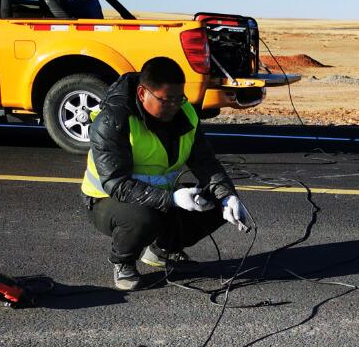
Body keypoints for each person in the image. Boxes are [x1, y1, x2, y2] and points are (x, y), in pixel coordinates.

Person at [81, 56, 250, 291]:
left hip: (159, 196)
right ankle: (123, 262)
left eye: (178, 98)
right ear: (142, 93)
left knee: (213, 204)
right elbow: (116, 184)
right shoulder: (113, 120)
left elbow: (205, 162)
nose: (174, 106)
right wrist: (171, 199)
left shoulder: (185, 113)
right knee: (143, 218)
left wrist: (227, 196)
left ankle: (161, 252)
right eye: (166, 100)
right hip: (107, 202)